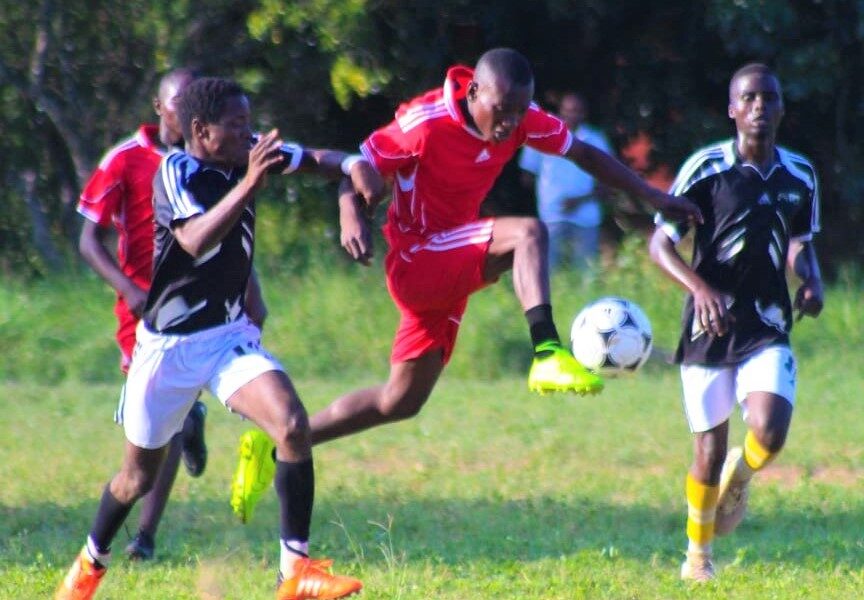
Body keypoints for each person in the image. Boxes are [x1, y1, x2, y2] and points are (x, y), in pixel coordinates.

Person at [223, 47, 700, 511]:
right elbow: (357, 165)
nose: (511, 123)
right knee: (528, 233)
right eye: (502, 110)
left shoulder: (523, 116)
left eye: (518, 112)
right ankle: (548, 351)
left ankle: (276, 443)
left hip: (451, 259)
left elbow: (587, 156)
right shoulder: (424, 123)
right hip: (417, 259)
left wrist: (654, 198)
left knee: (400, 401)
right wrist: (351, 214)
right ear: (474, 92)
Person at [56, 76, 370, 600]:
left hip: (226, 337)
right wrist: (249, 183)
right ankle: (90, 564)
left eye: (251, 123)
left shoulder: (244, 156)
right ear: (201, 130)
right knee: (135, 480)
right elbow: (195, 239)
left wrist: (353, 168)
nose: (249, 134)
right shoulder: (175, 171)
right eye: (237, 124)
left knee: (292, 425)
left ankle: (295, 572)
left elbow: (321, 159)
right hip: (166, 350)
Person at [648, 63, 824, 582]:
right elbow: (660, 245)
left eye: (769, 98)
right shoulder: (705, 169)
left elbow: (800, 244)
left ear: (782, 108)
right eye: (748, 98)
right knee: (708, 449)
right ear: (731, 109)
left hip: (768, 320)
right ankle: (698, 557)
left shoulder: (800, 175)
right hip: (711, 326)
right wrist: (699, 288)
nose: (759, 107)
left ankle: (740, 480)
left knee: (769, 432)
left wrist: (810, 281)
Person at [77, 68, 209, 561]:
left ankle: (145, 537)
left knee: (167, 422)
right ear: (159, 108)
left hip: (199, 299)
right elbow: (87, 237)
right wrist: (128, 288)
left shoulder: (211, 155)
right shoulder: (127, 160)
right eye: (179, 104)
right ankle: (189, 419)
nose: (189, 113)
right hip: (143, 310)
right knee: (155, 420)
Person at [518, 92, 612, 270]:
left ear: (584, 114)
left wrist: (580, 200)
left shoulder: (596, 140)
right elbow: (528, 176)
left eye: (577, 111)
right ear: (560, 111)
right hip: (551, 217)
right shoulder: (543, 134)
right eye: (568, 110)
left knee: (586, 278)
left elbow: (608, 184)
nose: (572, 115)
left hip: (586, 219)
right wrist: (548, 196)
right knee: (549, 276)